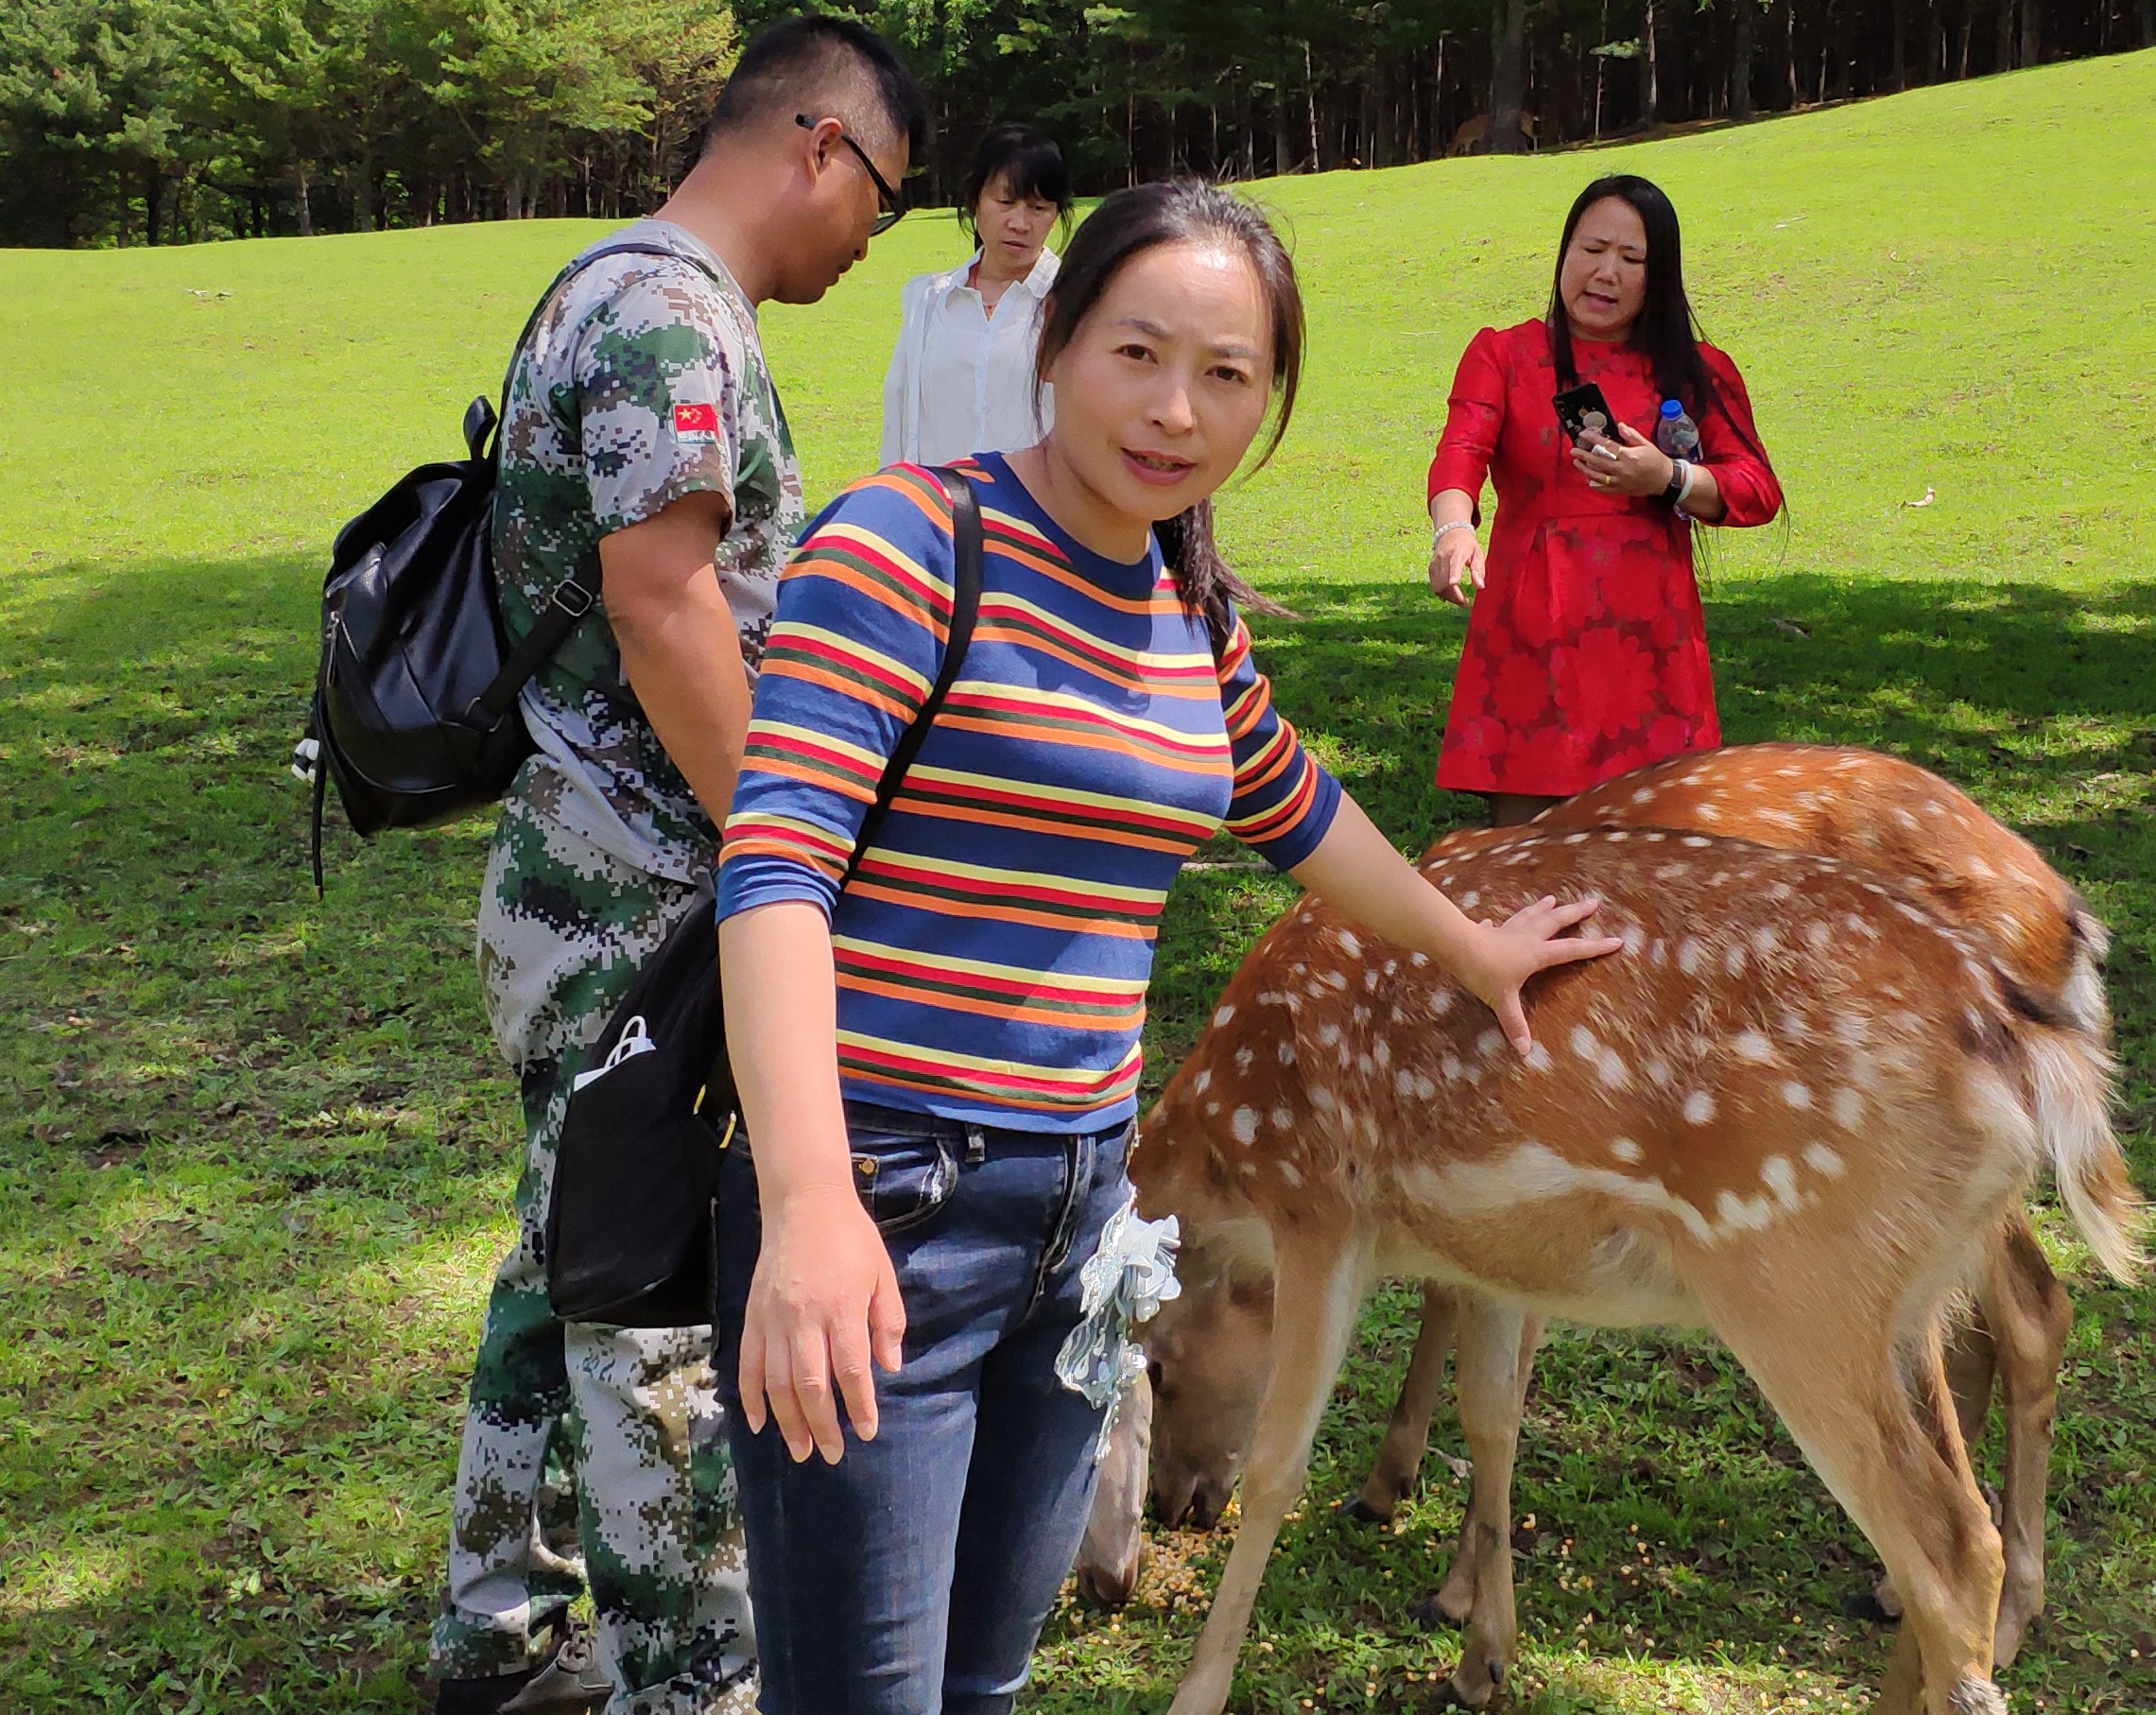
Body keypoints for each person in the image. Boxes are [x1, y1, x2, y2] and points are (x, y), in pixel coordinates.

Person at [707, 182, 1620, 1715]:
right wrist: (803, 1204)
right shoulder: (908, 541)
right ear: (1056, 342)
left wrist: (1472, 945)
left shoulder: (1180, 607)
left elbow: (1291, 799)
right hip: (883, 1201)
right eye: (1137, 353)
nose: (1174, 410)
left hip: (1082, 1220)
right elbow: (774, 863)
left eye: (1227, 374)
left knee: (987, 1676)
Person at [436, 15, 928, 1715]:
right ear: (816, 143)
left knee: (563, 1243)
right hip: (634, 890)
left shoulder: (611, 285)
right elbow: (663, 604)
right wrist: (778, 852)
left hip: (584, 878)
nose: (873, 240)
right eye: (882, 192)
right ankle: (694, 1682)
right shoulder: (666, 313)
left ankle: (496, 1629)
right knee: (647, 1301)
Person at [1423, 173, 1782, 824]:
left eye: (1631, 258)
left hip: (1652, 651)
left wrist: (1669, 478)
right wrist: (1452, 531)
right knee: (1528, 866)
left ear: (1658, 276)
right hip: (1532, 636)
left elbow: (1756, 490)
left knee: (1657, 865)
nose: (1605, 272)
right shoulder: (1504, 355)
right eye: (1591, 249)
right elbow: (1460, 454)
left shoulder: (1699, 369)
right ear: (1564, 253)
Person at [876, 123, 1067, 466]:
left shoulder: (1074, 302)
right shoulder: (928, 300)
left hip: (1037, 514)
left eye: (1038, 208)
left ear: (1055, 216)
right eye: (1005, 201)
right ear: (975, 200)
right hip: (939, 510)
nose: (1020, 223)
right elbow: (900, 417)